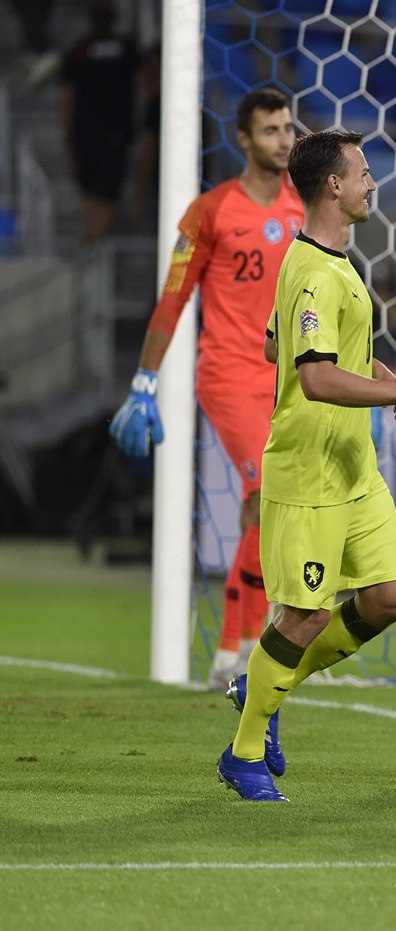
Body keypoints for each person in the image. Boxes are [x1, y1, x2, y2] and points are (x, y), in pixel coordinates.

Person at [216, 129, 396, 801]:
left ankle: (264, 685)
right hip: (309, 473)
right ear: (333, 185)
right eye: (362, 172)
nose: (371, 182)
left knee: (386, 599)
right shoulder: (314, 271)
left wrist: (369, 365)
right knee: (302, 617)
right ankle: (244, 754)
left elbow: (277, 346)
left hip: (355, 469)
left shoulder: (331, 261)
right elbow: (315, 378)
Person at [109, 86, 302, 691]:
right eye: (270, 130)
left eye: (288, 128)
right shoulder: (209, 212)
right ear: (243, 139)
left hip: (291, 379)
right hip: (229, 375)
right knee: (269, 494)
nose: (284, 140)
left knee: (271, 509)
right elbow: (173, 299)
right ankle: (245, 648)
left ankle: (229, 653)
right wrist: (144, 381)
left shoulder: (303, 206)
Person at [59, 0, 141, 242]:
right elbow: (143, 84)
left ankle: (93, 242)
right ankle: (95, 242)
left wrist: (68, 133)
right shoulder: (126, 49)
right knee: (103, 191)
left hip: (88, 132)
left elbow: (67, 96)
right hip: (114, 131)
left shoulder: (79, 50)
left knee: (94, 190)